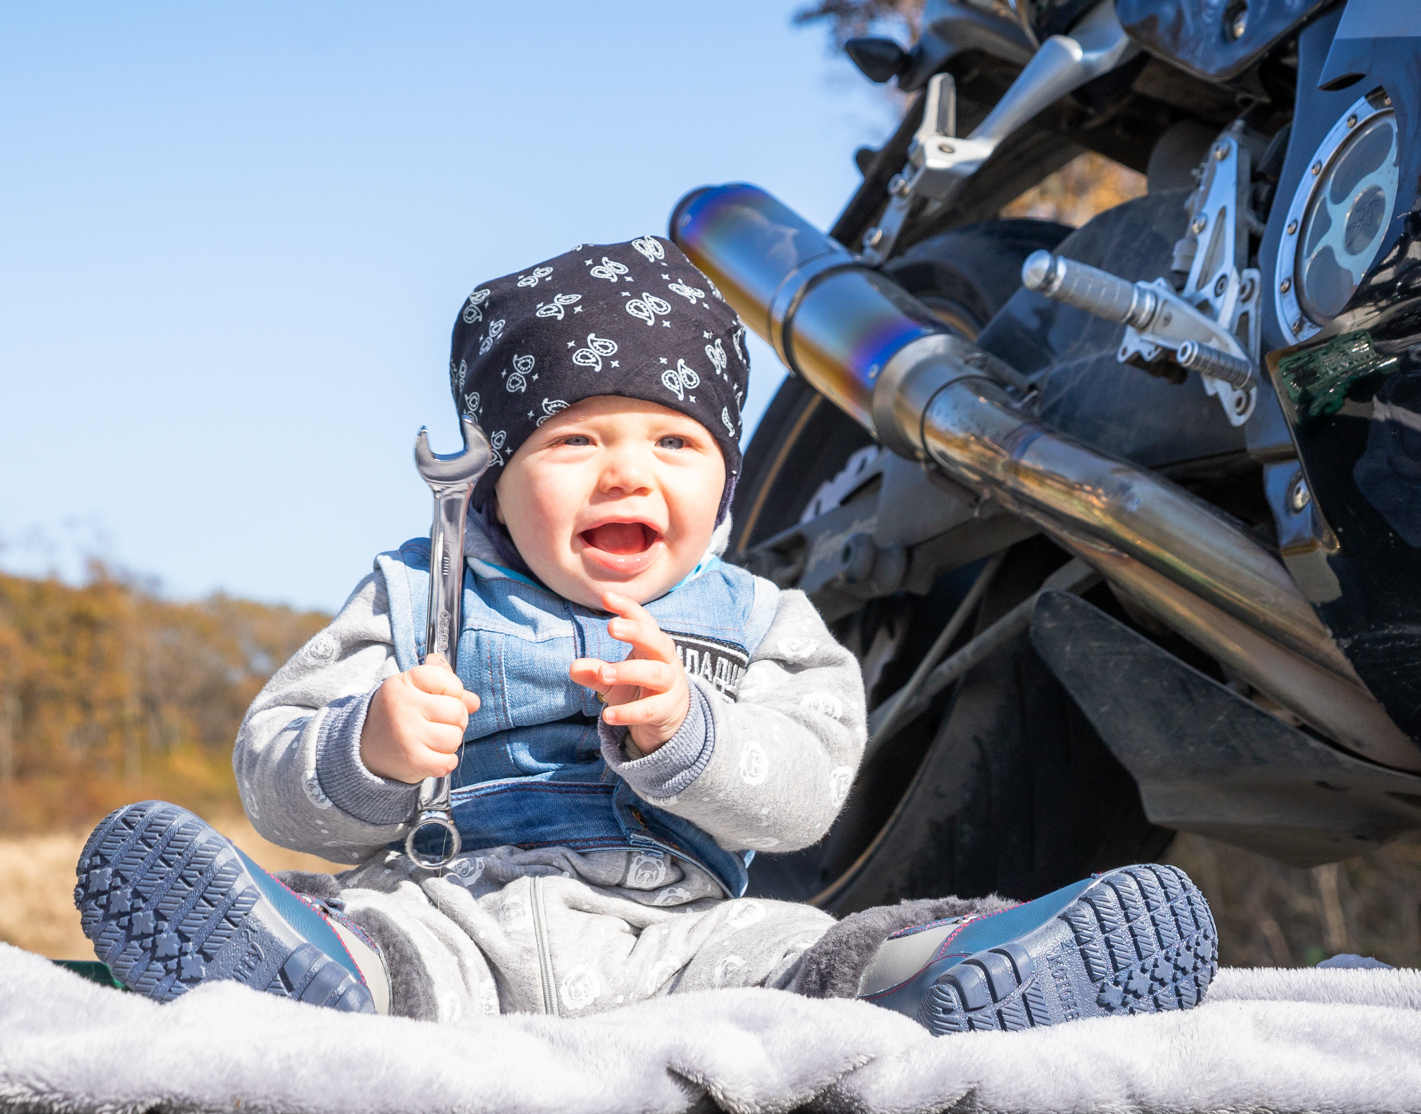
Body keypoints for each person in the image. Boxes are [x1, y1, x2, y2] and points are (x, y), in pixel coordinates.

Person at [74, 238, 1216, 1032]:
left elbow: (810, 792)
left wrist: (695, 733)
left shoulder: (761, 619)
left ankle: (966, 965)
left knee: (799, 954)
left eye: (673, 444)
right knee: (378, 950)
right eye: (574, 443)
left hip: (677, 934)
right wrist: (363, 747)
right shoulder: (413, 595)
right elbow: (273, 774)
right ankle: (293, 963)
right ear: (488, 479)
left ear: (723, 487)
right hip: (447, 910)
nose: (627, 468)